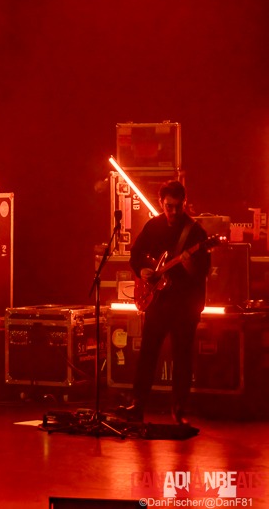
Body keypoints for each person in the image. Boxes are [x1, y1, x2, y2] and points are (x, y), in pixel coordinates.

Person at [119, 180, 211, 426]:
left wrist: (188, 264)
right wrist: (143, 270)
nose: (173, 211)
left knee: (182, 357)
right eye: (169, 206)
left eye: (178, 207)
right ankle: (138, 404)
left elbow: (203, 271)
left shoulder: (196, 233)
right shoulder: (154, 226)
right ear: (161, 203)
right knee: (147, 353)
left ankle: (179, 409)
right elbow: (136, 254)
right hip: (158, 302)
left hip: (185, 305)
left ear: (184, 203)